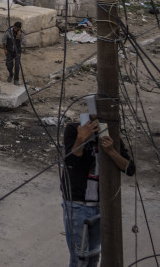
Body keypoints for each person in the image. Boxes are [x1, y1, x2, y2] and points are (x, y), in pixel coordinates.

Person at [61, 113, 135, 266]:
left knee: (94, 256)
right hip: (77, 205)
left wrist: (111, 152)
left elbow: (129, 168)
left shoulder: (109, 136)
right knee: (79, 257)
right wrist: (81, 138)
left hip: (100, 206)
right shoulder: (74, 130)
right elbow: (71, 162)